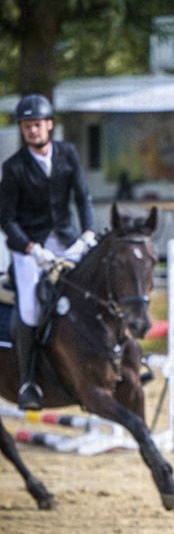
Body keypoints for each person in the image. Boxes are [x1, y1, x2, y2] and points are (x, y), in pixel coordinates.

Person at [0, 94, 96, 409]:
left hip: (67, 239)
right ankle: (28, 383)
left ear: (49, 125)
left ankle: (118, 360)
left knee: (95, 287)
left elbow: (83, 198)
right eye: (27, 126)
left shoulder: (68, 153)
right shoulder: (13, 167)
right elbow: (7, 218)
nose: (32, 130)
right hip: (28, 247)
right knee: (29, 307)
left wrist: (88, 234)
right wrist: (31, 248)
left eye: (37, 124)